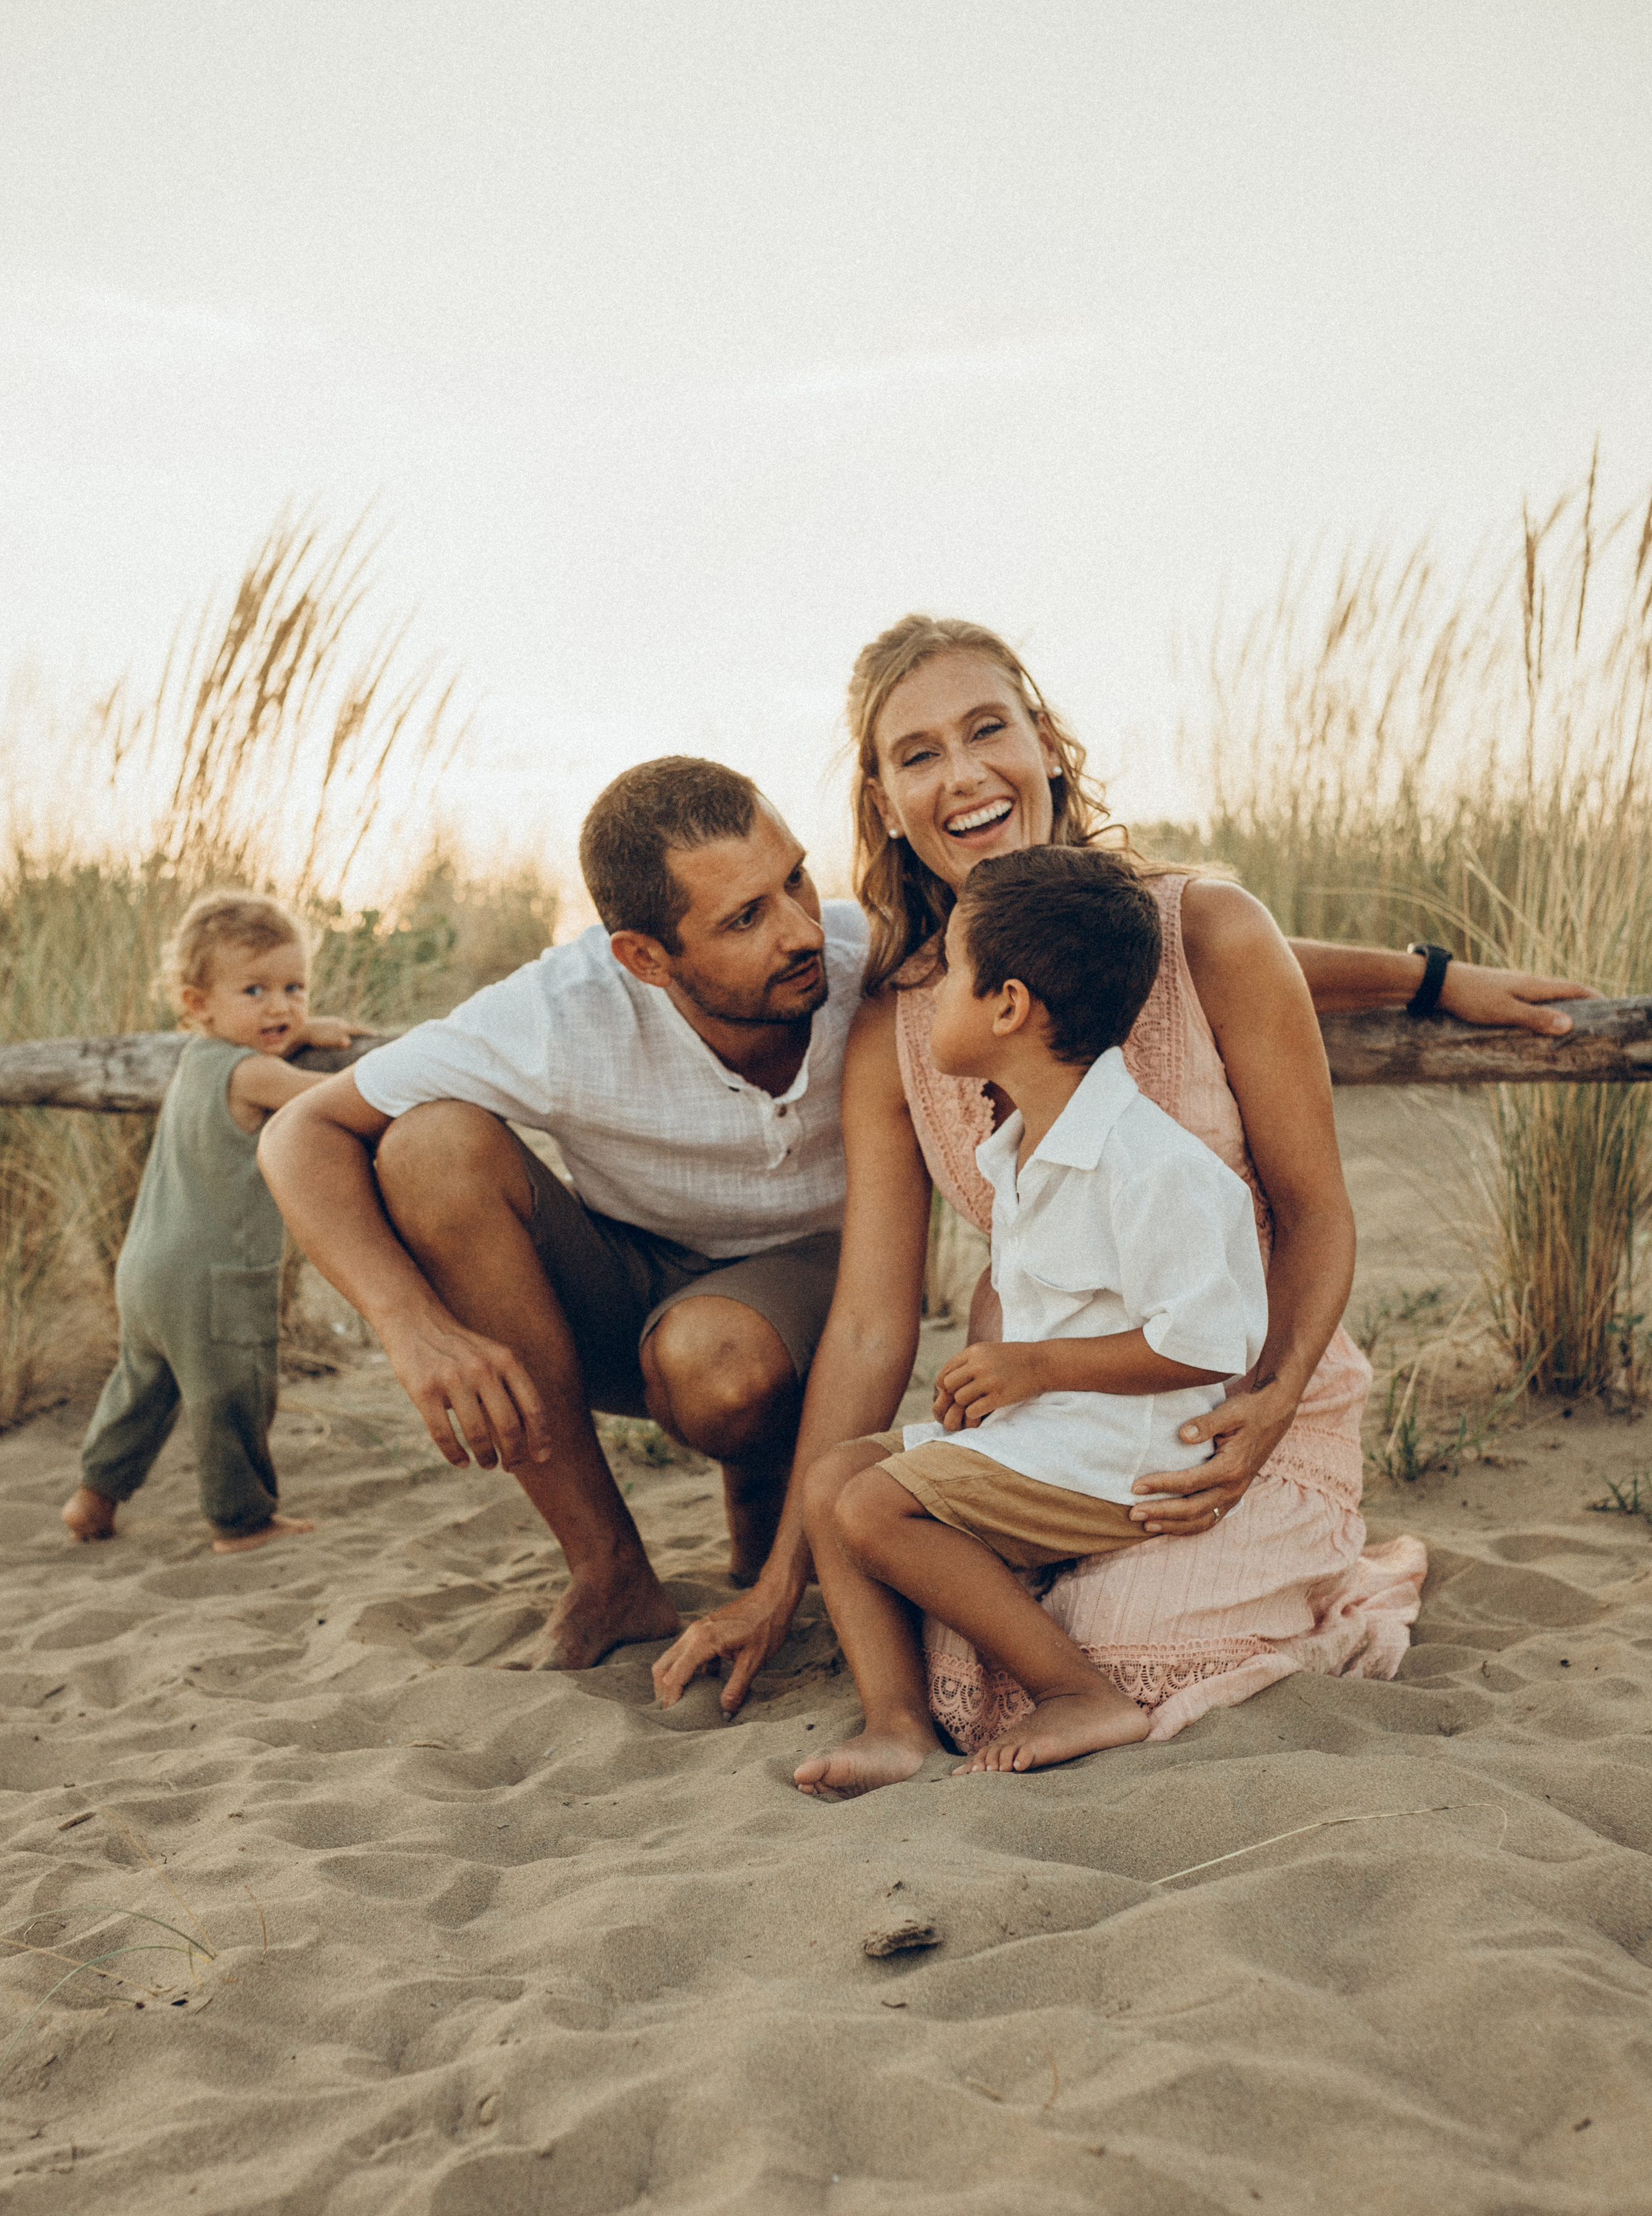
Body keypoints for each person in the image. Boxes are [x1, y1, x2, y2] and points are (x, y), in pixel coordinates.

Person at [653, 615, 1597, 1747]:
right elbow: (866, 1324)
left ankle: (1338, 1567)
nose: (962, 776)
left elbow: (1314, 1210)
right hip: (1052, 1429)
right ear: (882, 796)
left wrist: (1271, 1400)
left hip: (1238, 1410)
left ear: (1045, 741)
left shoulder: (1205, 928)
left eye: (987, 728)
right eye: (917, 754)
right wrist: (776, 1582)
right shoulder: (898, 1024)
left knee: (1119, 1658)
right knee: (963, 1674)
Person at [257, 758, 868, 1670]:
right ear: (645, 958)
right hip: (632, 1279)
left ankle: (761, 1491)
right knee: (429, 1145)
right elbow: (300, 1132)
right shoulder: (563, 1009)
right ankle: (610, 1574)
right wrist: (410, 1325)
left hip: (811, 1283)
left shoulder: (875, 959)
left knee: (717, 1363)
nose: (799, 929)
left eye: (795, 879)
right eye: (745, 917)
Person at [796, 847, 1269, 1792]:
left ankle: (1080, 1692)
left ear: (1009, 1005)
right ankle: (897, 1725)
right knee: (831, 1478)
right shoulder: (1020, 1142)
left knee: (872, 1504)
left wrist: (1037, 1366)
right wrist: (1011, 1380)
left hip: (1122, 1454)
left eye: (954, 975)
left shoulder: (1150, 1165)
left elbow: (1206, 1342)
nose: (933, 996)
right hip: (1049, 1431)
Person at [62, 891, 364, 1553]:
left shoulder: (196, 1059)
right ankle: (241, 1520)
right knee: (234, 1392)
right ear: (199, 1003)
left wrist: (298, 1033)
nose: (281, 1006)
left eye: (295, 987)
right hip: (215, 1277)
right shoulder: (256, 1073)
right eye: (255, 990)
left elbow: (259, 1050)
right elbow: (340, 1096)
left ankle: (93, 1498)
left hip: (146, 1272)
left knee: (142, 1387)